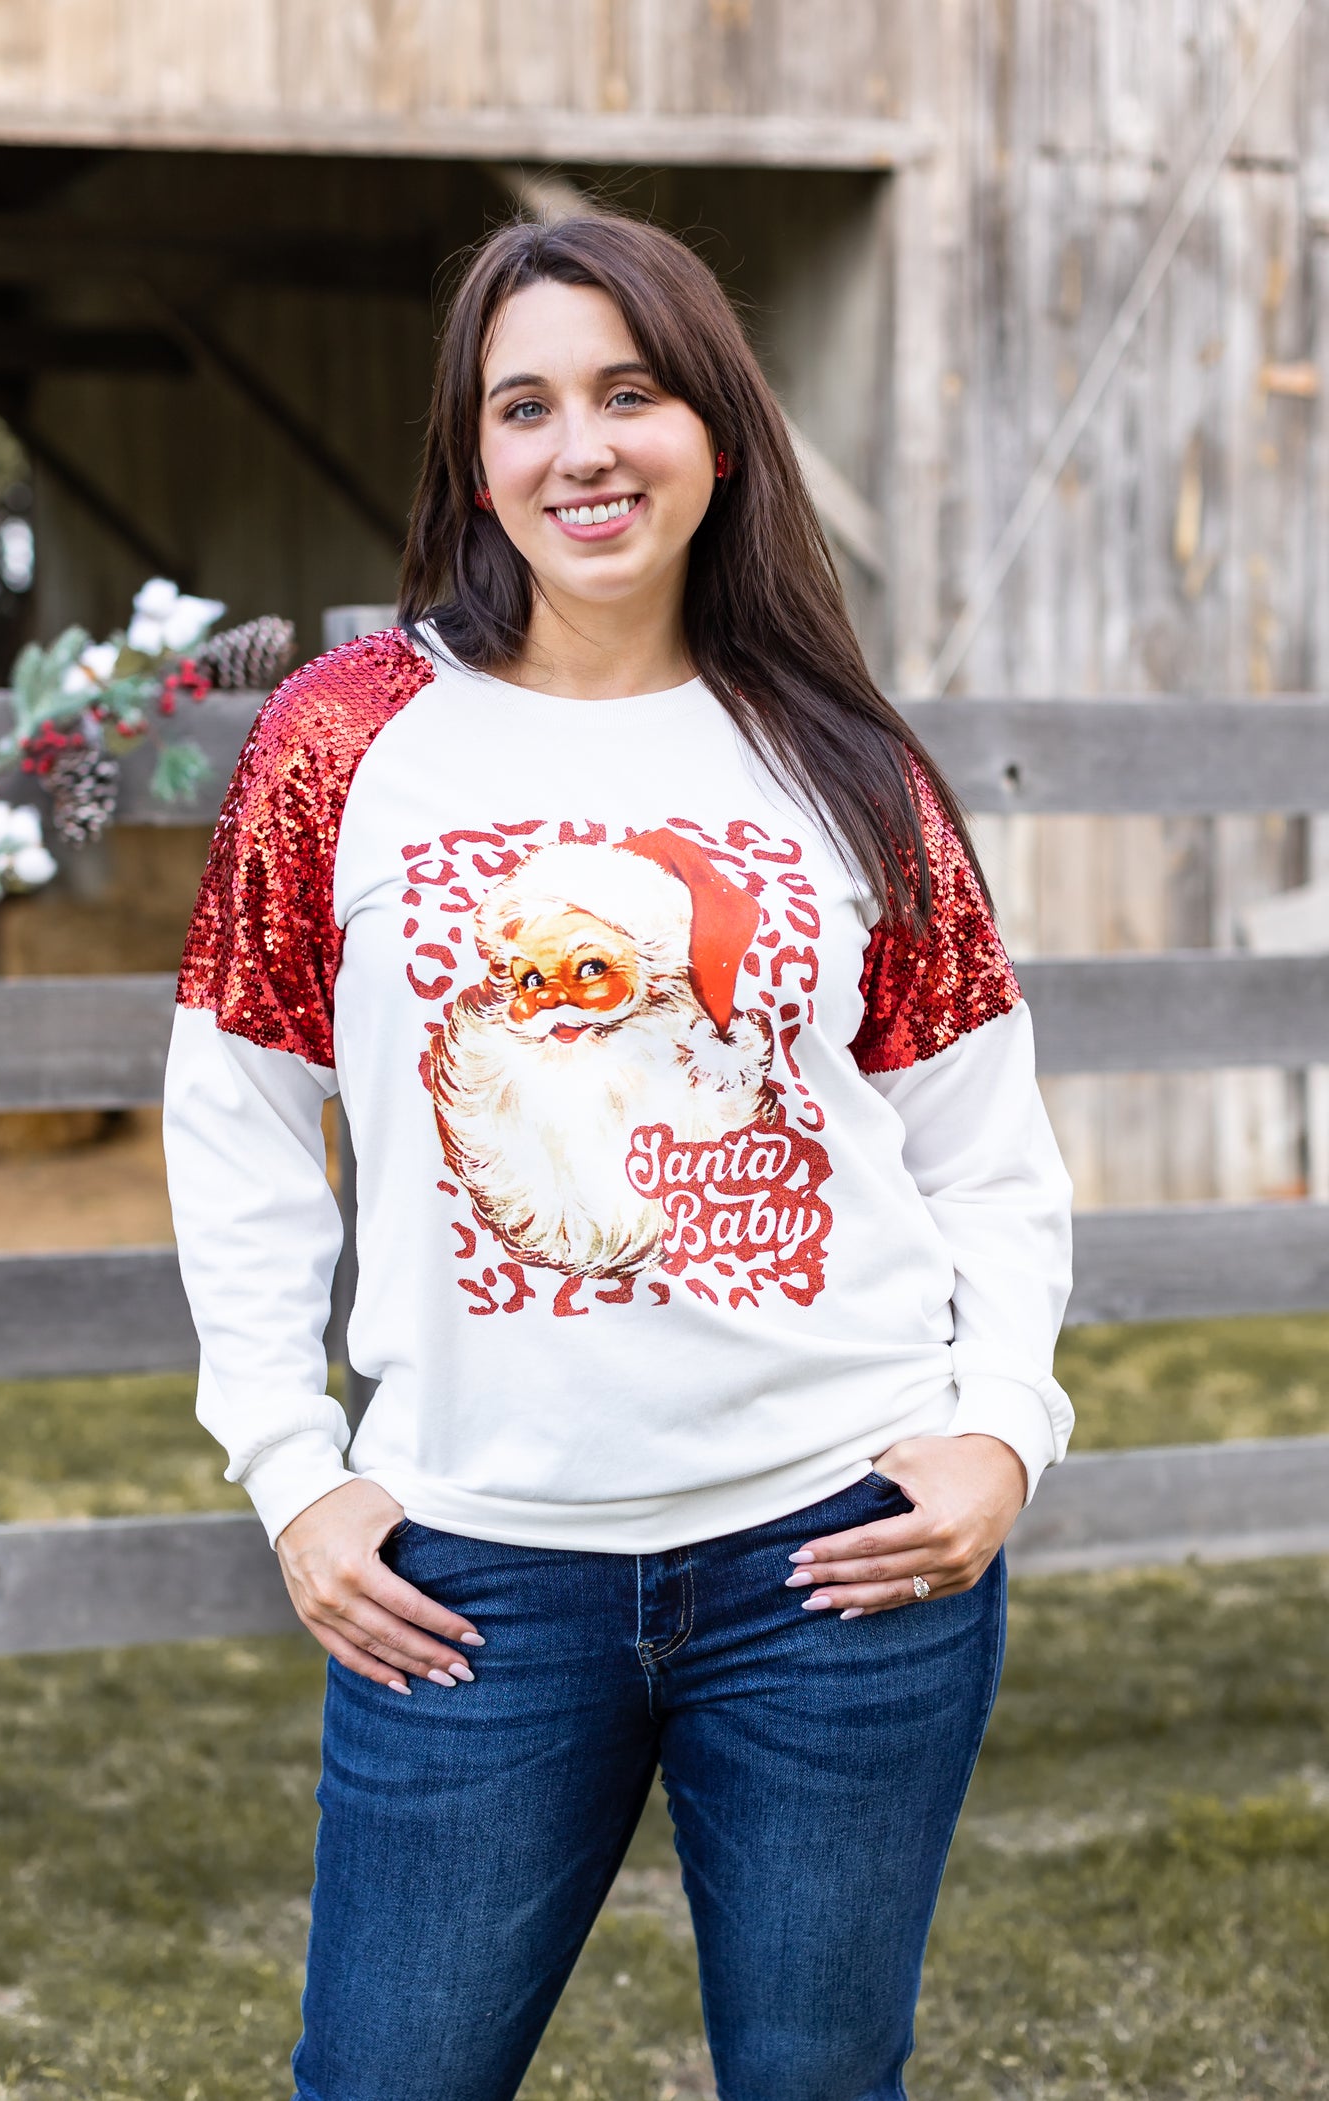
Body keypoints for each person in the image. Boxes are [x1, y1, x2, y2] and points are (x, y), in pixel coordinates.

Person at [163, 210, 1074, 2101]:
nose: (581, 448)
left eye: (629, 393)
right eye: (526, 406)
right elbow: (237, 1114)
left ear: (716, 434)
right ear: (474, 459)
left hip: (839, 1558)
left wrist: (1000, 1426)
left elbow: (984, 1146)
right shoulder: (347, 742)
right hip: (473, 1572)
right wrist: (290, 1469)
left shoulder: (845, 762)